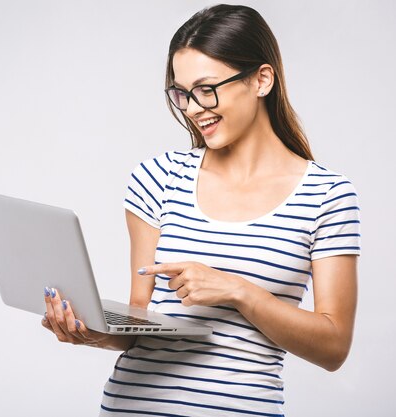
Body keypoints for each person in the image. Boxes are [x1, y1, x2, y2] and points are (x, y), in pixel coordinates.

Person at [41, 4, 361, 416]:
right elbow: (141, 319)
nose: (192, 108)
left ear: (262, 79)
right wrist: (93, 332)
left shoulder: (327, 195)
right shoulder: (158, 177)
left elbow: (334, 347)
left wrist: (238, 291)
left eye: (206, 89)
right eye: (181, 93)